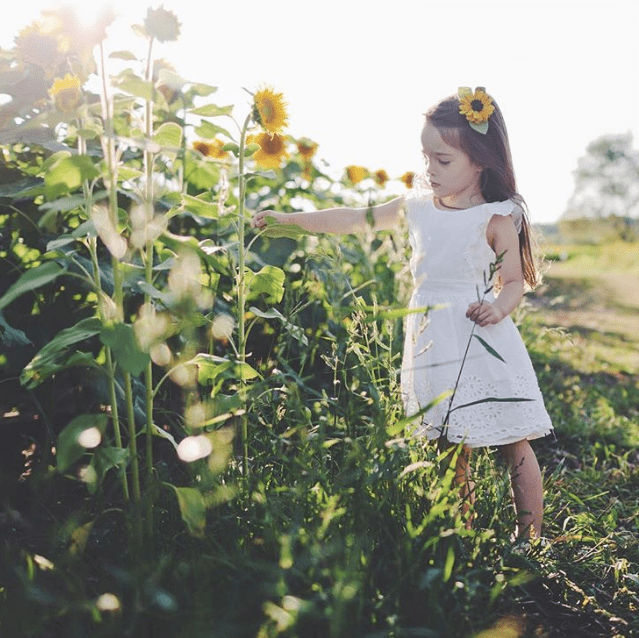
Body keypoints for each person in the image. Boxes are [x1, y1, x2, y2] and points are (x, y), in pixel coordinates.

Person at [251, 88, 554, 541]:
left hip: (480, 338)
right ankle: (463, 536)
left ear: (480, 161)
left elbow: (512, 281)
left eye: (443, 160)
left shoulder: (494, 218)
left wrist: (497, 308)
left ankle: (529, 540)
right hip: (434, 340)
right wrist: (290, 220)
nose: (429, 168)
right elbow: (355, 217)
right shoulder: (416, 207)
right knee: (451, 444)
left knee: (513, 440)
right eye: (425, 156)